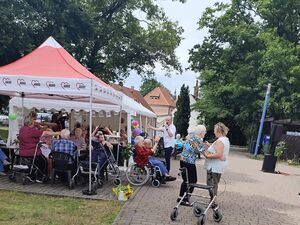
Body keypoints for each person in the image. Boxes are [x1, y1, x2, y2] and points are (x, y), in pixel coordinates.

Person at [19, 116, 60, 181]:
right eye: (33, 122)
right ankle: (40, 178)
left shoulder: (22, 129)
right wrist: (58, 133)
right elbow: (45, 133)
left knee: (35, 162)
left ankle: (32, 175)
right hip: (32, 152)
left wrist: (42, 126)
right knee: (44, 162)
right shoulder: (31, 130)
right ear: (31, 123)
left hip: (22, 152)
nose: (34, 123)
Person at [203, 122, 230, 209]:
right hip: (218, 166)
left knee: (212, 184)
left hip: (214, 167)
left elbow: (218, 154)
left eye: (215, 130)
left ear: (218, 130)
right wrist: (210, 145)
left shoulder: (220, 141)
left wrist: (207, 155)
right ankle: (212, 200)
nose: (214, 132)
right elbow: (218, 150)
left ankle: (213, 202)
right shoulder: (224, 139)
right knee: (214, 183)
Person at [178, 125, 207, 205]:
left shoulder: (191, 137)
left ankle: (180, 197)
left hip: (183, 160)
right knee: (193, 180)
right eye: (205, 132)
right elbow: (203, 153)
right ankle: (186, 198)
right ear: (201, 132)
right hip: (189, 162)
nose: (205, 133)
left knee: (185, 180)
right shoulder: (198, 140)